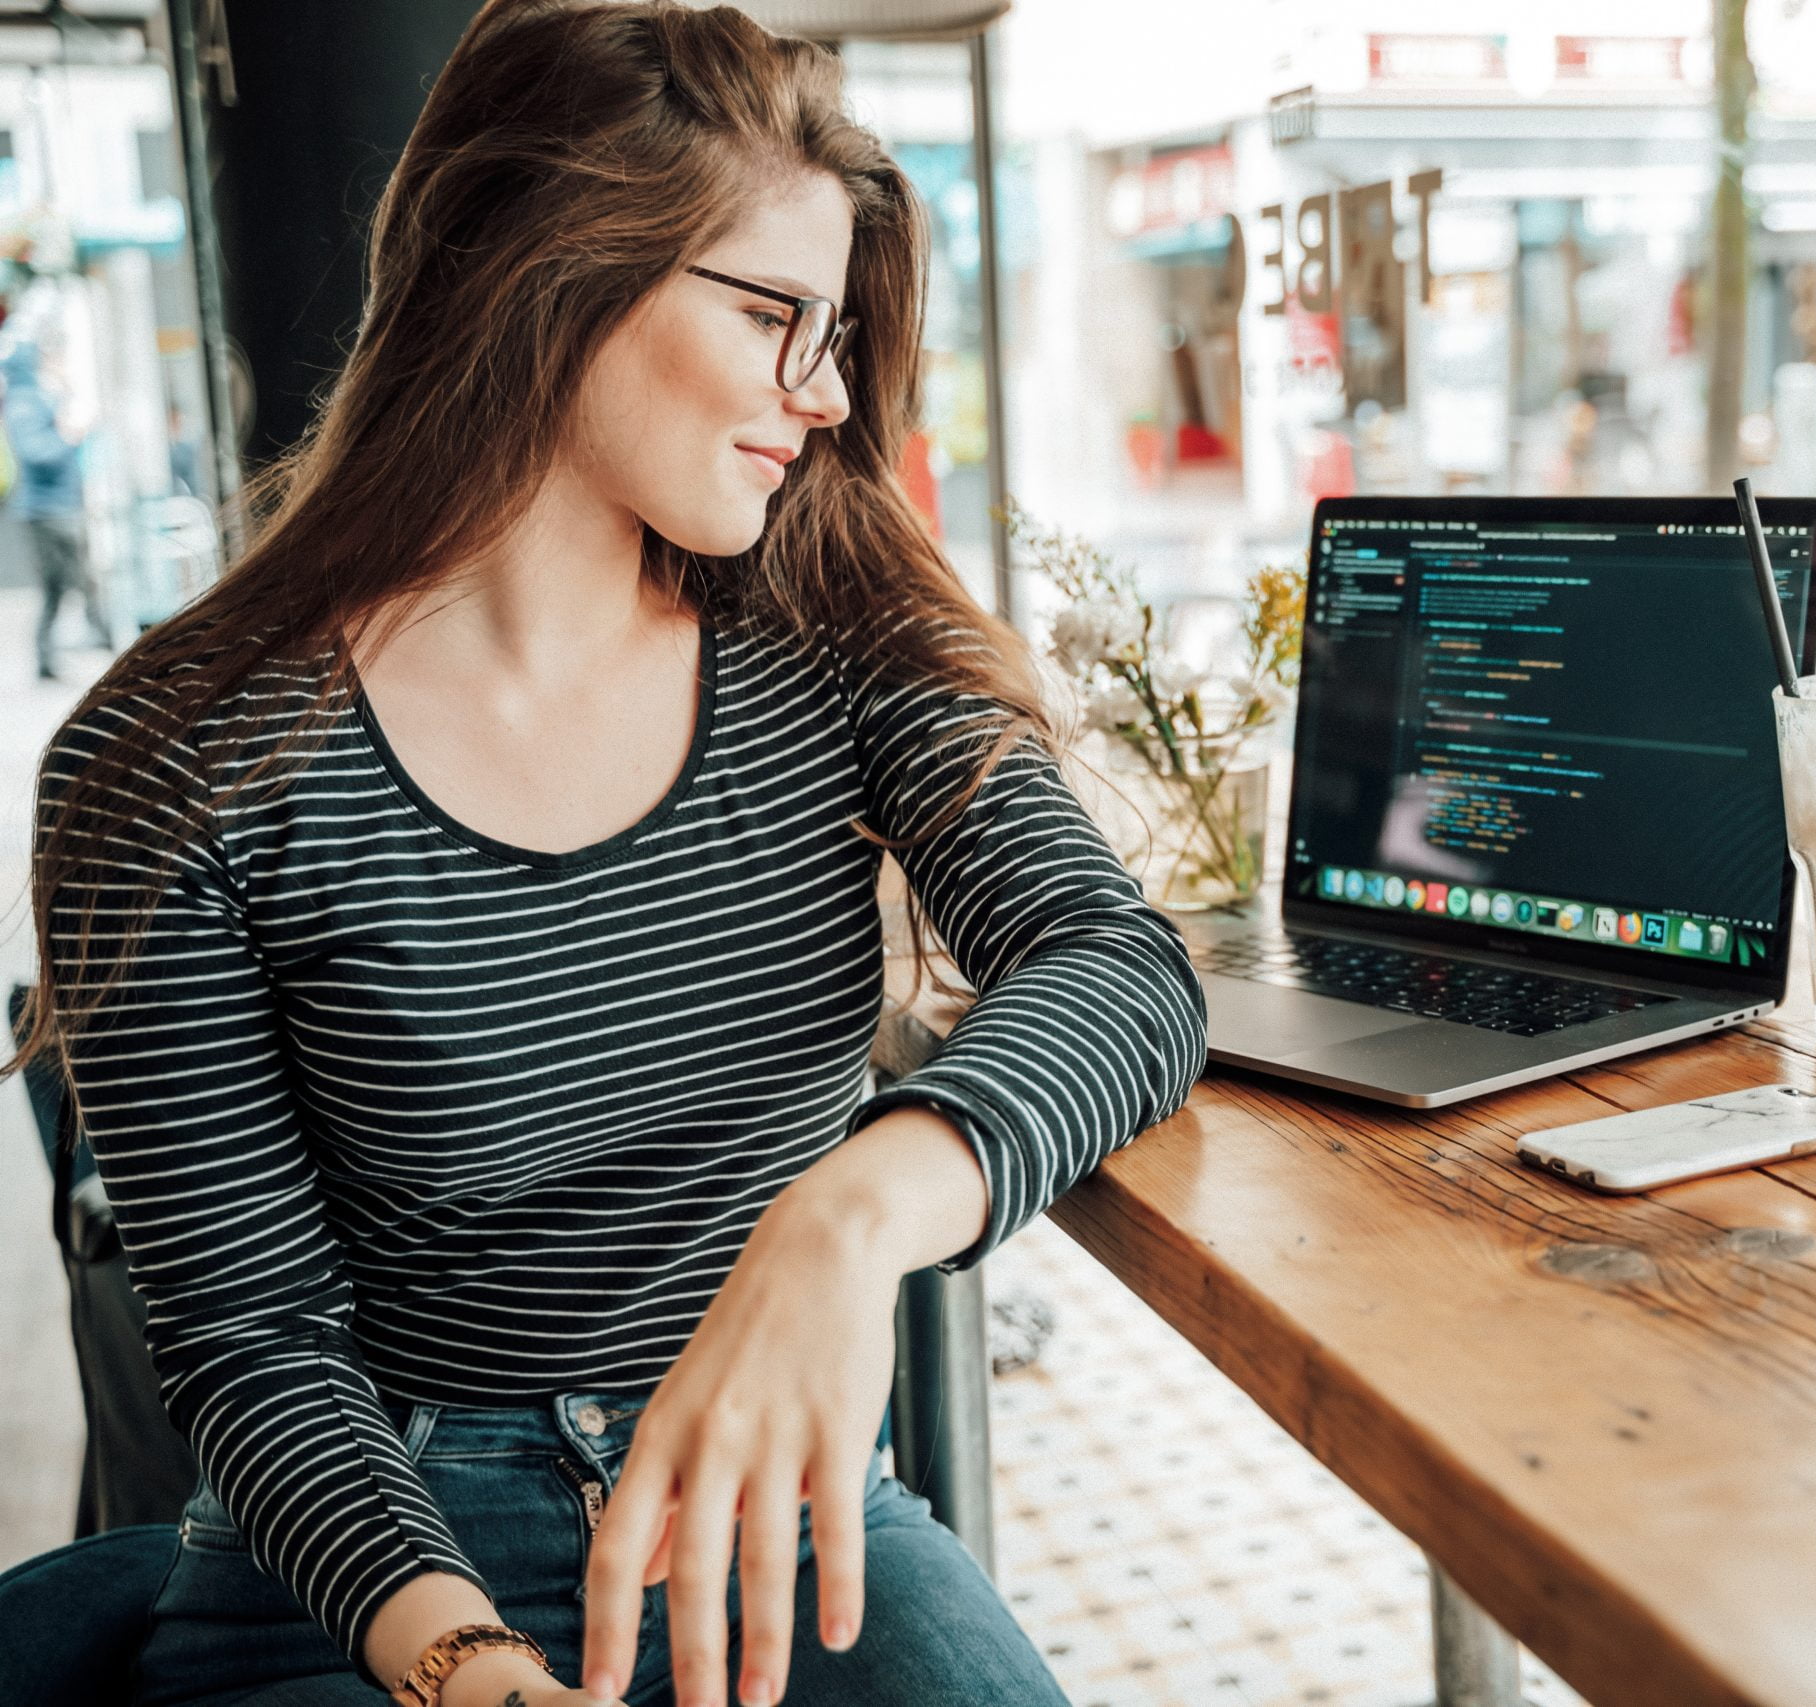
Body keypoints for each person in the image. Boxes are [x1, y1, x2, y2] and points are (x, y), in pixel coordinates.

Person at [12, 4, 1206, 1706]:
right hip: (365, 1562)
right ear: (544, 271)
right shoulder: (171, 764)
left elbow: (1120, 966)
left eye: (840, 329)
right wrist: (471, 1667)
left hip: (779, 1518)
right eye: (773, 315)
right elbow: (253, 1346)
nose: (828, 393)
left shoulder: (836, 639)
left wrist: (846, 1216)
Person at [5, 334, 111, 678]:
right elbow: (36, 452)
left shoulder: (41, 397)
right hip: (47, 509)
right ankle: (97, 636)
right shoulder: (24, 401)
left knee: (61, 584)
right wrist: (69, 436)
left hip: (58, 504)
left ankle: (53, 655)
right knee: (72, 579)